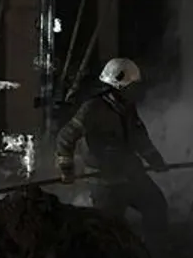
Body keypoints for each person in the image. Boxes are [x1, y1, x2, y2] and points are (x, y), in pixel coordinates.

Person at [55, 57, 169, 238]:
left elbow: (140, 138)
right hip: (105, 182)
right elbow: (65, 137)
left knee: (156, 205)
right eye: (132, 86)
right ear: (119, 87)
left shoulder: (128, 108)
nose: (136, 90)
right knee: (110, 231)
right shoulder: (93, 109)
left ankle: (156, 250)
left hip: (132, 175)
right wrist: (67, 168)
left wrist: (155, 159)